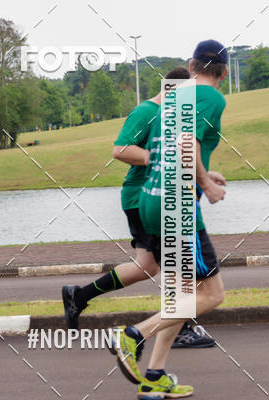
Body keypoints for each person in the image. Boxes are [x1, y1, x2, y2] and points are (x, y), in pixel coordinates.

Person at [61, 67, 214, 349]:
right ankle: (179, 330)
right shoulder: (147, 112)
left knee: (146, 266)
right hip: (143, 198)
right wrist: (158, 159)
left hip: (154, 198)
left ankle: (78, 296)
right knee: (175, 263)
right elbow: (120, 149)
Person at [113, 39, 229, 399]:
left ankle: (154, 376)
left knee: (181, 295)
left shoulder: (174, 96)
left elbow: (166, 148)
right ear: (224, 73)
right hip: (176, 207)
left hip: (151, 201)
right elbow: (185, 143)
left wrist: (206, 172)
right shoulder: (211, 97)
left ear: (191, 65)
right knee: (212, 294)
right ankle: (134, 335)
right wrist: (206, 184)